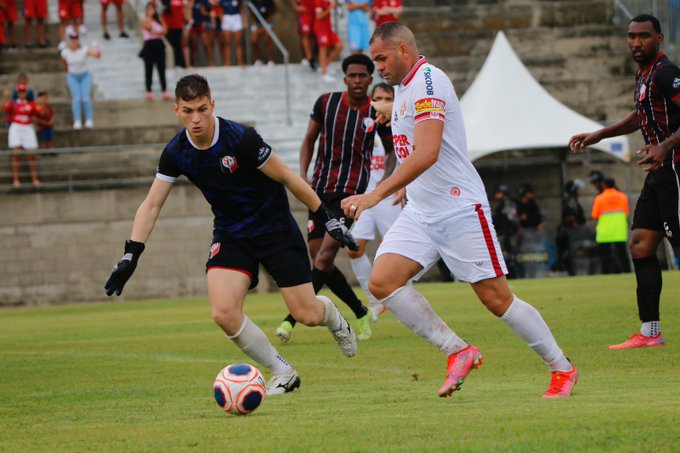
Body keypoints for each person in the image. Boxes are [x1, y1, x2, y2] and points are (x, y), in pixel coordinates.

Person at [342, 22, 577, 398]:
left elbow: (429, 152)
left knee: (496, 299)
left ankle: (562, 367)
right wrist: (403, 180)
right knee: (383, 281)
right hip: (421, 211)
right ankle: (458, 350)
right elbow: (411, 148)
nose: (378, 68)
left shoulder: (430, 82)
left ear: (403, 50)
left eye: (381, 59)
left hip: (458, 208)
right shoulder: (402, 90)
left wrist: (376, 194)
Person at [104, 74, 359, 395]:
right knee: (223, 313)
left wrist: (327, 218)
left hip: (275, 228)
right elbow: (152, 203)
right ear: (176, 110)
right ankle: (284, 372)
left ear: (212, 105)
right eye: (187, 111)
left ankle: (333, 317)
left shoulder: (242, 139)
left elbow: (289, 179)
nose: (195, 119)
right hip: (231, 232)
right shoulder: (176, 151)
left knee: (306, 314)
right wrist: (132, 254)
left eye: (201, 109)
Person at [568, 14, 679, 350]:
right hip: (658, 174)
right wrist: (600, 134)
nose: (636, 43)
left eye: (643, 36)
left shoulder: (665, 72)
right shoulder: (643, 75)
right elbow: (640, 116)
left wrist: (664, 146)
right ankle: (650, 331)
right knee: (641, 246)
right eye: (632, 36)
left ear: (659, 38)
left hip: (674, 169)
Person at [275, 54, 393, 343]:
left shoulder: (374, 111)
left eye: (362, 76)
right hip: (318, 191)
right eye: (352, 76)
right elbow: (308, 140)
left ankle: (291, 319)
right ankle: (360, 311)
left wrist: (385, 183)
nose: (357, 81)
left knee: (326, 256)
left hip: (350, 197)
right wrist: (302, 175)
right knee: (320, 260)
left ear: (368, 79)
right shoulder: (326, 103)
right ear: (345, 79)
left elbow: (390, 150)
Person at [347, 82, 401, 320]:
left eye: (388, 99)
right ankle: (374, 300)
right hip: (364, 195)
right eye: (377, 98)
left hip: (389, 194)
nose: (382, 103)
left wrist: (397, 184)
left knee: (397, 252)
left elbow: (404, 156)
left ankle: (400, 298)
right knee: (353, 248)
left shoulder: (399, 125)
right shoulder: (362, 126)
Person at [2, 85, 42, 187]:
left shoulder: (31, 104)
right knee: (16, 153)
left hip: (27, 127)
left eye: (23, 92)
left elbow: (40, 112)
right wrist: (4, 98)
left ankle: (34, 179)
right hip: (16, 127)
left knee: (31, 154)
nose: (22, 94)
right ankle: (16, 180)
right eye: (20, 92)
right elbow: (3, 109)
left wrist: (41, 103)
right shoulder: (13, 103)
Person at [61, 32, 101, 129]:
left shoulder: (84, 49)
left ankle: (89, 119)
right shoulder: (65, 52)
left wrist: (98, 48)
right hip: (73, 76)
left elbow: (97, 56)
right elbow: (64, 64)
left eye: (76, 40)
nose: (74, 42)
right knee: (76, 98)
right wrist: (68, 72)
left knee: (85, 97)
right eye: (72, 40)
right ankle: (77, 120)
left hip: (84, 75)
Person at [591, 177, 631, 274]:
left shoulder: (599, 198)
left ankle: (606, 274)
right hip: (619, 230)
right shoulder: (623, 196)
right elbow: (627, 213)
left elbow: (594, 215)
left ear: (604, 185)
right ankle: (627, 272)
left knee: (605, 256)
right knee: (622, 254)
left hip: (605, 231)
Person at [554, 179, 586, 274]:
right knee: (570, 252)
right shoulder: (570, 201)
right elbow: (570, 216)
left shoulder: (572, 201)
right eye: (578, 189)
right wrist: (574, 223)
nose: (580, 191)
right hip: (569, 232)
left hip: (571, 232)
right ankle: (567, 268)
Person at [139, 1, 170, 101]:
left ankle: (164, 90)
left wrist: (158, 31)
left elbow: (165, 30)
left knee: (161, 68)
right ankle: (149, 90)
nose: (151, 11)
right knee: (149, 69)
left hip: (159, 45)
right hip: (149, 46)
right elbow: (149, 28)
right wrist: (158, 31)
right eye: (149, 9)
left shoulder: (159, 19)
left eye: (152, 9)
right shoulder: (145, 20)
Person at [490, 184, 519, 279]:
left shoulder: (508, 204)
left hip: (507, 235)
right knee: (504, 257)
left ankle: (511, 276)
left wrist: (512, 230)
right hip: (502, 234)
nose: (496, 195)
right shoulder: (500, 205)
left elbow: (512, 219)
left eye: (498, 193)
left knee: (508, 257)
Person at [313, 0, 342, 81]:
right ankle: (324, 73)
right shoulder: (318, 1)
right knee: (323, 49)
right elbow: (318, 16)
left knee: (339, 46)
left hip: (329, 28)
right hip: (321, 28)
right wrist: (330, 8)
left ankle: (324, 66)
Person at [290, 0, 316, 70]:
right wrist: (296, 7)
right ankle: (309, 57)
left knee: (313, 36)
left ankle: (312, 56)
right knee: (305, 35)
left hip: (314, 13)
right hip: (304, 15)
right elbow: (295, 5)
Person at [217, 0, 244, 66]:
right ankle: (227, 62)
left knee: (238, 42)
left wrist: (243, 20)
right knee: (226, 43)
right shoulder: (221, 1)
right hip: (226, 18)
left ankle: (240, 62)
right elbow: (221, 10)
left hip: (237, 17)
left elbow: (241, 9)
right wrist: (222, 20)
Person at [161, 0, 187, 67]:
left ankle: (180, 63)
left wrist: (185, 23)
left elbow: (184, 11)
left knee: (178, 45)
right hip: (168, 26)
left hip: (179, 26)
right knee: (172, 45)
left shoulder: (180, 1)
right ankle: (173, 63)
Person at [249, 0, 275, 66]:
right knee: (253, 40)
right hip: (256, 24)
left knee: (267, 38)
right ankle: (258, 60)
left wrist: (264, 26)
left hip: (267, 22)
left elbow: (271, 15)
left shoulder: (268, 2)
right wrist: (257, 26)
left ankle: (271, 60)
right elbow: (251, 15)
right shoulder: (252, 2)